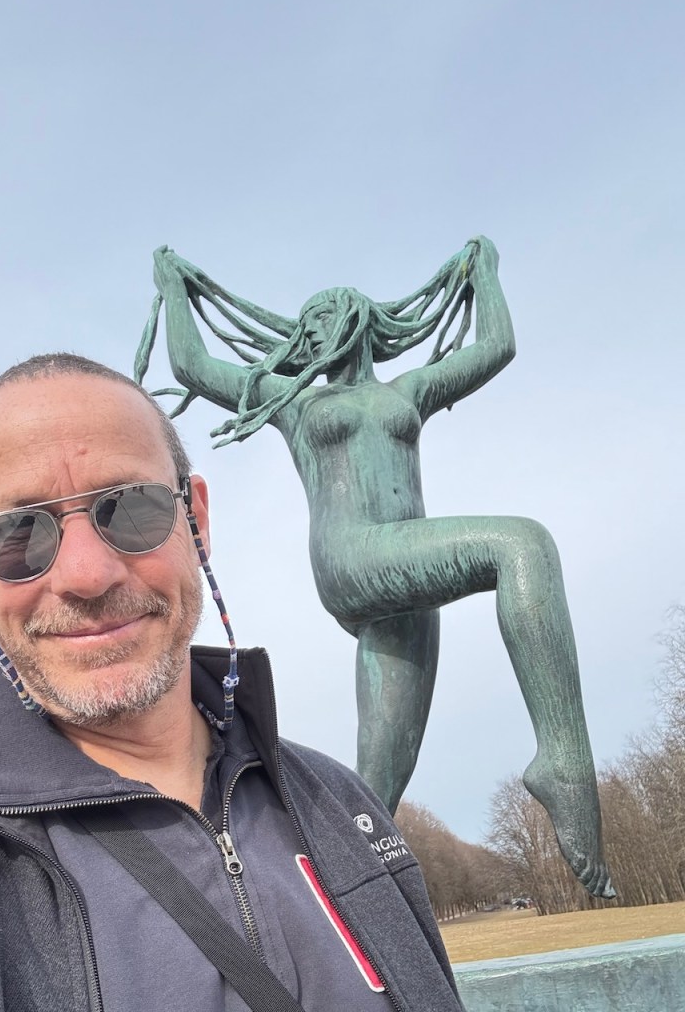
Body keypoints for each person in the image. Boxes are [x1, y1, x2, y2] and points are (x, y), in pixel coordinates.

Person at [0, 353, 466, 1012]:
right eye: (17, 532)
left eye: (131, 508)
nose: (87, 575)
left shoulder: (339, 799)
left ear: (196, 518)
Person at [141, 239, 614, 899]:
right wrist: (173, 289)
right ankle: (563, 756)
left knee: (376, 792)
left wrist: (485, 274)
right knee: (523, 545)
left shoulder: (410, 391)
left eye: (319, 321)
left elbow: (495, 347)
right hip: (357, 557)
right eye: (301, 329)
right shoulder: (294, 400)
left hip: (411, 582)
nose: (307, 336)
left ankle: (332, 900)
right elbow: (194, 365)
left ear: (356, 322)